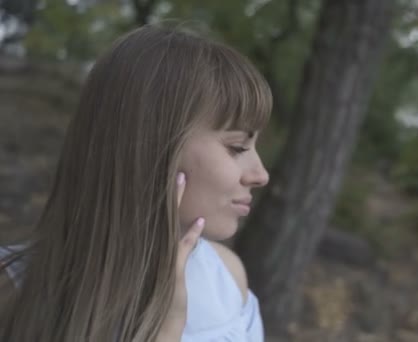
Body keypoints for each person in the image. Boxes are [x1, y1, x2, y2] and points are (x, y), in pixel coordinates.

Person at [0, 24, 271, 341]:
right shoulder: (10, 288)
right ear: (149, 148)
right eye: (237, 147)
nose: (261, 174)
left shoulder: (229, 280)